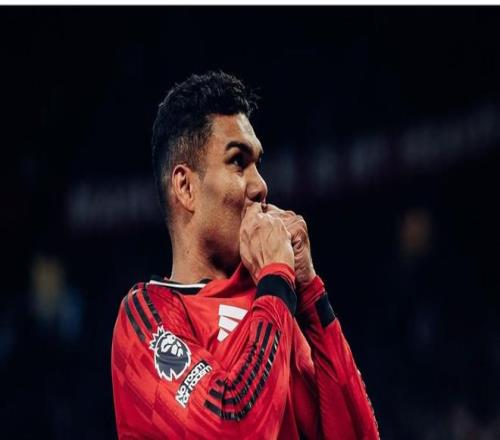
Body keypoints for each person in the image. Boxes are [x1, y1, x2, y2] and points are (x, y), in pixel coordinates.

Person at [111, 71, 379, 439]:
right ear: (185, 187)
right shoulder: (145, 317)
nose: (260, 185)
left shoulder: (275, 305)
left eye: (258, 165)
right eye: (238, 161)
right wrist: (276, 279)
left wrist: (310, 293)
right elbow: (235, 428)